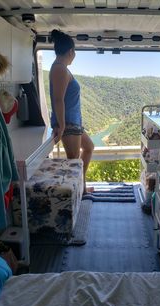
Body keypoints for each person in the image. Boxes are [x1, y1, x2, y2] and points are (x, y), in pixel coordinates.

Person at [49, 29, 94, 194]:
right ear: (70, 51)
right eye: (74, 52)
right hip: (67, 123)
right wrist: (61, 126)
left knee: (89, 147)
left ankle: (80, 188)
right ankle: (74, 196)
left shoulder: (61, 68)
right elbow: (58, 100)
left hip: (73, 122)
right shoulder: (60, 69)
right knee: (74, 160)